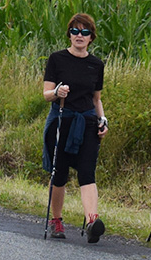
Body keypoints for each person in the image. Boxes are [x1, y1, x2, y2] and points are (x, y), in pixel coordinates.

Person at [42, 13, 108, 243]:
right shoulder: (57, 59)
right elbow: (46, 94)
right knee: (59, 173)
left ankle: (92, 221)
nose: (79, 36)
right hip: (62, 120)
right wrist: (57, 92)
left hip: (87, 123)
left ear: (91, 37)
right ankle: (56, 220)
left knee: (87, 172)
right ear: (69, 34)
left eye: (85, 32)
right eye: (75, 31)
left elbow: (96, 98)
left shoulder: (96, 64)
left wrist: (103, 119)